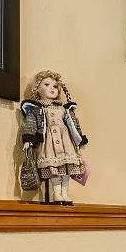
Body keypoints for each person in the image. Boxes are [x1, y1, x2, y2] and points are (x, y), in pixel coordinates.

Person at [19, 69, 88, 204]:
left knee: (66, 168)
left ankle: (65, 193)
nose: (51, 88)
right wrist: (28, 139)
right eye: (46, 85)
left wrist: (79, 139)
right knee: (54, 169)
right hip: (49, 144)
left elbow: (74, 124)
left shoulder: (64, 108)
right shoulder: (37, 109)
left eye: (55, 86)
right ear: (37, 88)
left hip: (66, 142)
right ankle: (56, 193)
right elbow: (30, 123)